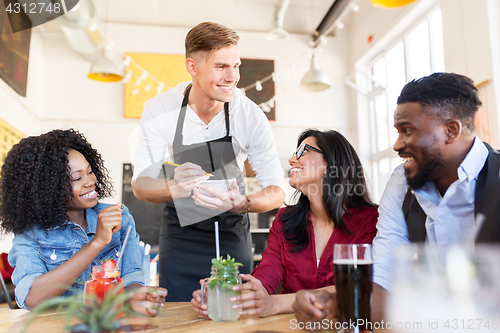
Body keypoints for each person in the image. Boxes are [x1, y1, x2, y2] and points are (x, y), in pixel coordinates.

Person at [292, 72, 500, 325]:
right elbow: (382, 281)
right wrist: (333, 306)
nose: (397, 145)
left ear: (451, 130)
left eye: (408, 131)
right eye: (397, 132)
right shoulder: (401, 183)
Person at [131, 22, 285, 301]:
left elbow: (277, 191)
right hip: (181, 235)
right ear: (192, 67)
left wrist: (244, 203)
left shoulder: (249, 115)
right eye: (221, 66)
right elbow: (141, 185)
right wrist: (175, 189)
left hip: (231, 231)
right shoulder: (160, 110)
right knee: (179, 313)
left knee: (233, 310)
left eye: (236, 65)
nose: (233, 76)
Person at [191, 129, 378, 317]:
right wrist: (224, 298)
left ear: (331, 164)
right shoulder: (284, 221)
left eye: (304, 151)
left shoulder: (372, 221)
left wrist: (276, 303)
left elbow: (365, 287)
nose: (291, 160)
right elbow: (266, 276)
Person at [0, 129, 167, 315]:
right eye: (77, 178)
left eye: (90, 171)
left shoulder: (120, 217)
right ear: (47, 188)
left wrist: (136, 297)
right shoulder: (31, 232)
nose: (90, 181)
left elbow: (131, 278)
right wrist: (96, 243)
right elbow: (32, 298)